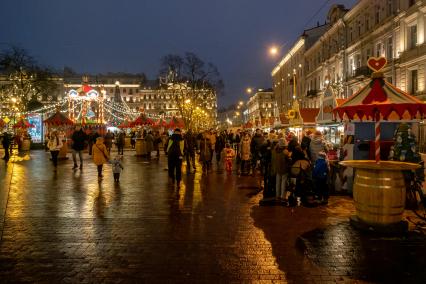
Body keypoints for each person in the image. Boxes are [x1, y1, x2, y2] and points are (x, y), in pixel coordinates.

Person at [273, 138, 290, 203]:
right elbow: (288, 160)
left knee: (277, 182)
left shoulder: (275, 150)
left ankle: (277, 195)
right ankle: (283, 196)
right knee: (283, 183)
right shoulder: (285, 151)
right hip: (284, 168)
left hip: (277, 168)